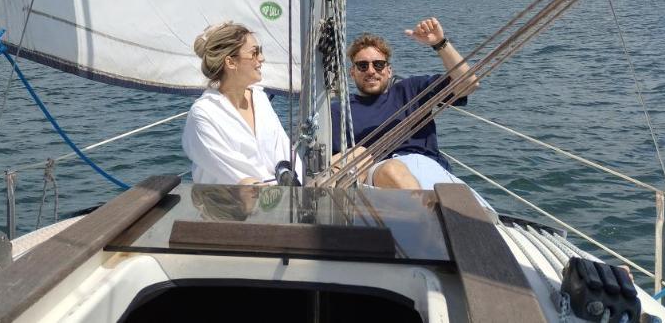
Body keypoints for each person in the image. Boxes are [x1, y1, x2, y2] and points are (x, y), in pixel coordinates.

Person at [331, 18, 485, 200]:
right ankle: (431, 220)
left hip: (432, 170)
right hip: (382, 180)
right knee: (392, 170)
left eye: (378, 64)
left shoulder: (412, 89)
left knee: (475, 215)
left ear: (389, 70)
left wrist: (440, 43)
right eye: (363, 66)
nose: (371, 71)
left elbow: (468, 85)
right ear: (352, 72)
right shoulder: (339, 112)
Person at [182, 22, 301, 185]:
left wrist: (302, 188)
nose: (262, 58)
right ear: (231, 63)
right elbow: (241, 179)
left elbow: (285, 153)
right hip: (229, 207)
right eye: (254, 53)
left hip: (276, 200)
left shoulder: (259, 98)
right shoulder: (203, 114)